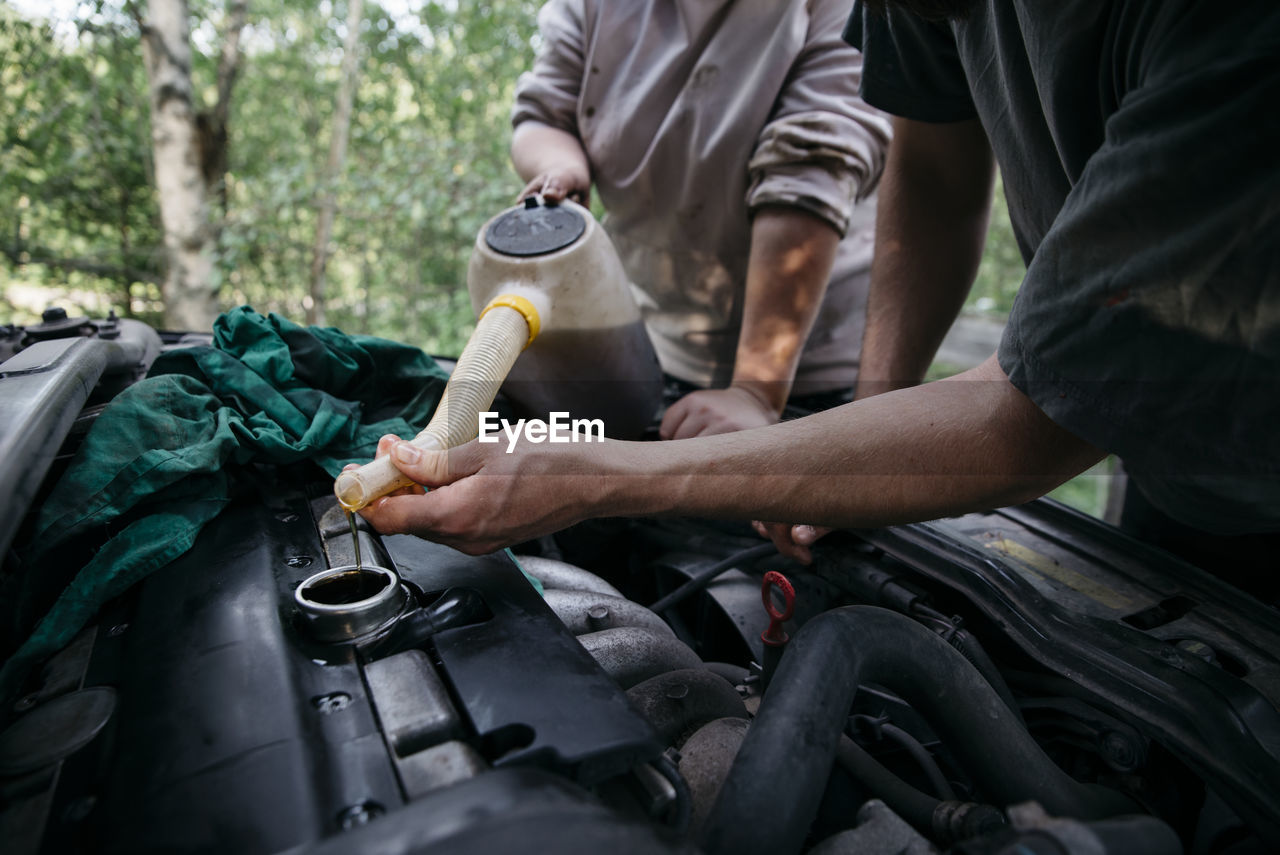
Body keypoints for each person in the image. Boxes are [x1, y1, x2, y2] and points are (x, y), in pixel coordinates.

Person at [358, 0, 1279, 598]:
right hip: (1180, 465)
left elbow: (1030, 421)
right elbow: (934, 162)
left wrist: (604, 476)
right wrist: (878, 422)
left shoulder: (1236, 37)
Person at [509, 0, 891, 438]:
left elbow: (809, 173)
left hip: (817, 371)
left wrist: (755, 390)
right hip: (661, 349)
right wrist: (562, 168)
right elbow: (542, 114)